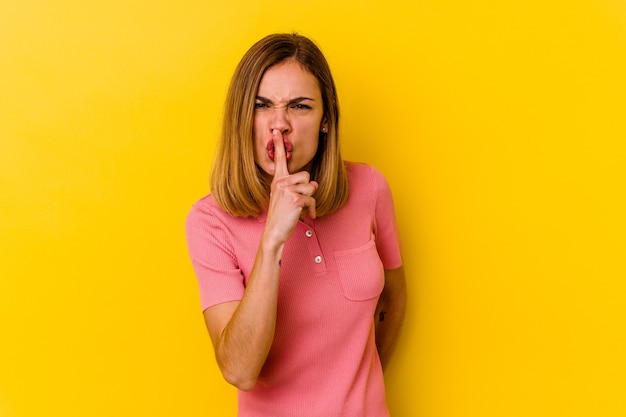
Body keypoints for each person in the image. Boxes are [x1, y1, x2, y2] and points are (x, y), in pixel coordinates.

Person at [185, 33, 407, 416]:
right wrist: (272, 239)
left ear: (325, 119)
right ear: (242, 118)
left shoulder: (370, 187)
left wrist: (355, 395)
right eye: (262, 105)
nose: (280, 124)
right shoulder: (210, 222)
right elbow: (238, 369)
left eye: (300, 106)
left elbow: (392, 298)